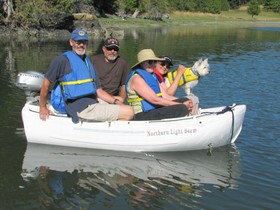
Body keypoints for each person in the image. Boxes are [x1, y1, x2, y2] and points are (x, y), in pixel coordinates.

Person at [39, 29, 134, 123]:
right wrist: (42, 107)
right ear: (71, 42)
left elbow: (98, 91)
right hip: (79, 108)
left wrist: (115, 102)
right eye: (78, 42)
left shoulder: (87, 62)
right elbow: (46, 84)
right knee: (129, 112)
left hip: (93, 102)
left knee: (124, 106)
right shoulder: (62, 61)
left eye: (84, 42)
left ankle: (105, 132)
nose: (81, 45)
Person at [125, 49, 193, 121]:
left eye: (154, 61)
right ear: (142, 64)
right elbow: (155, 100)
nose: (152, 64)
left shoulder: (152, 76)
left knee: (185, 100)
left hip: (154, 109)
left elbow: (165, 96)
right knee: (182, 108)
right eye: (150, 62)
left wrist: (185, 102)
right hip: (141, 114)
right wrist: (181, 105)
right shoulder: (137, 79)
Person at [90, 37, 130, 102]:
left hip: (114, 97)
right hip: (97, 96)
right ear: (104, 49)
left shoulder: (123, 63)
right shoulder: (93, 60)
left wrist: (121, 101)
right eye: (109, 48)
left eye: (115, 49)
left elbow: (124, 85)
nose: (112, 51)